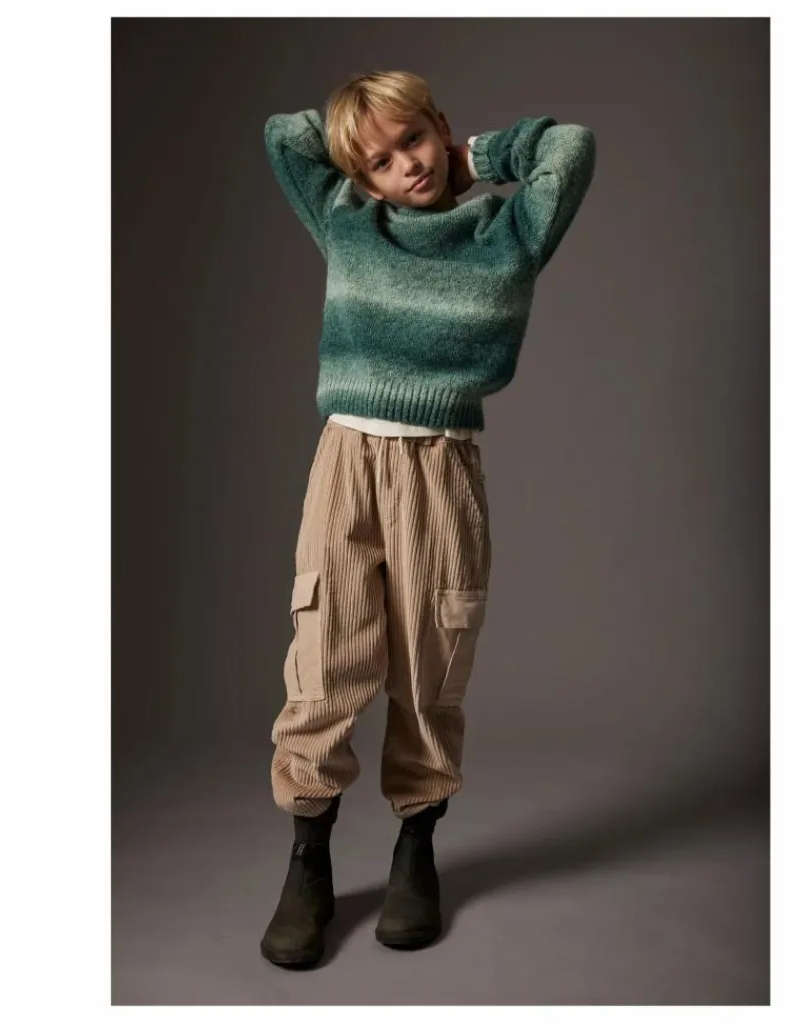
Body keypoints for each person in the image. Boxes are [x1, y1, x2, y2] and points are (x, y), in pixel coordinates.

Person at [259, 69, 596, 968]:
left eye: (413, 140)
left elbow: (571, 148)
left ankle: (417, 849)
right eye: (379, 160)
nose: (404, 165)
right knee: (324, 657)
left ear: (439, 128)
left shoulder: (507, 231)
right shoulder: (347, 218)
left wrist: (474, 157)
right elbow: (284, 135)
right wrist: (358, 141)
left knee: (430, 664)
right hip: (346, 465)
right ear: (359, 177)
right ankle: (308, 860)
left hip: (442, 467)